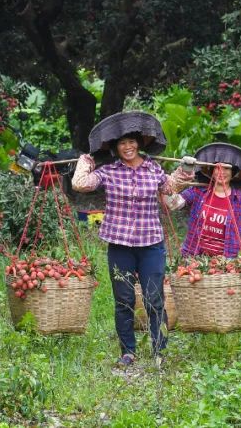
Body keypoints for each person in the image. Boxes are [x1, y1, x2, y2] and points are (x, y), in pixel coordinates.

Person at [72, 134, 194, 370]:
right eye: (121, 143)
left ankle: (160, 350)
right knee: (124, 300)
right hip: (120, 245)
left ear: (139, 144)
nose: (127, 147)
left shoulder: (153, 169)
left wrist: (185, 169)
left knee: (154, 299)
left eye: (131, 142)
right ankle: (128, 352)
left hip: (151, 244)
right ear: (116, 147)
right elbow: (80, 184)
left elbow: (170, 187)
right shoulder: (109, 172)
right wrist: (85, 162)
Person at [179, 162, 241, 259]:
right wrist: (181, 173)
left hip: (226, 263)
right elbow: (173, 203)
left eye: (226, 168)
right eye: (218, 168)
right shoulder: (198, 192)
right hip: (193, 258)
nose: (222, 172)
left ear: (232, 172)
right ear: (212, 171)